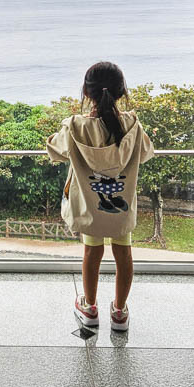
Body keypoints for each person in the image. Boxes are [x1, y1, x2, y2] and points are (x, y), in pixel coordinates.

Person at [45, 61, 155, 331]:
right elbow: (145, 153)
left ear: (86, 92)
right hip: (121, 205)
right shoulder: (132, 125)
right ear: (121, 92)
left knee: (91, 253)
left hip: (89, 207)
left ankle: (90, 307)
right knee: (123, 255)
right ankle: (119, 312)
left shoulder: (75, 126)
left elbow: (54, 150)